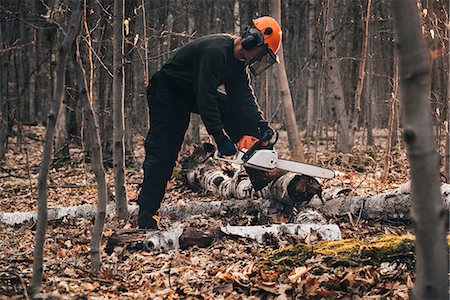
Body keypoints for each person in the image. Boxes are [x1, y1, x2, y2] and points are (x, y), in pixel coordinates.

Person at [138, 16, 282, 229]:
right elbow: (206, 98)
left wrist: (260, 124)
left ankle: (258, 166)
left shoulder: (237, 65)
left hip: (190, 93)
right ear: (252, 41)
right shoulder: (215, 52)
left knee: (234, 109)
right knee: (164, 151)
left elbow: (243, 97)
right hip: (168, 92)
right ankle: (147, 214)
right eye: (262, 54)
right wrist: (220, 137)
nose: (259, 59)